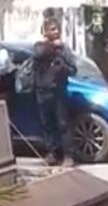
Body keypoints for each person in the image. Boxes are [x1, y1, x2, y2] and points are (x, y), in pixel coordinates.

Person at [31, 15, 78, 166]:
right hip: (42, 91)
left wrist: (62, 64)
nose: (56, 32)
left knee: (63, 124)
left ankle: (68, 155)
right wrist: (53, 46)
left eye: (57, 29)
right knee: (47, 124)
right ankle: (52, 153)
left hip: (58, 92)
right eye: (52, 29)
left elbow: (73, 70)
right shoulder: (39, 46)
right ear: (45, 33)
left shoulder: (65, 49)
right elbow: (38, 55)